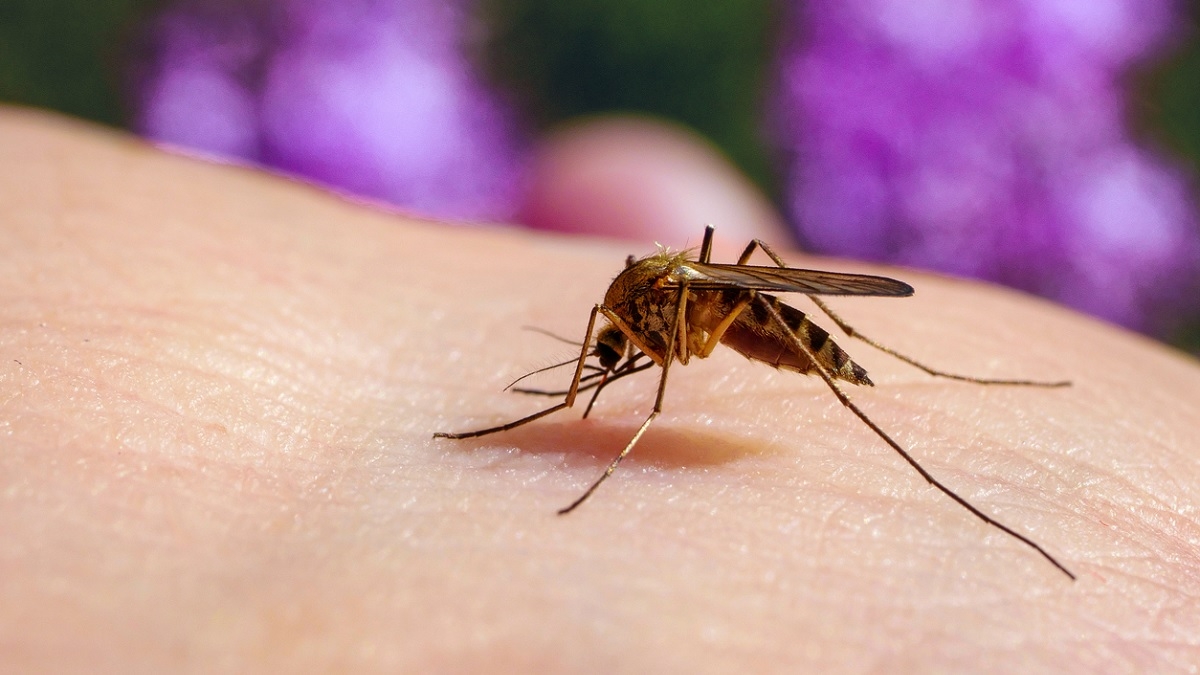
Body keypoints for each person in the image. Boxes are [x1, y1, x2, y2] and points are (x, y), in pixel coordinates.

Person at [3, 105, 1197, 671]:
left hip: (754, 312)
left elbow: (677, 306)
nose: (614, 353)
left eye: (615, 357)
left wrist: (634, 410)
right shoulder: (623, 304)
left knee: (760, 283)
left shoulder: (667, 307)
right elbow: (613, 314)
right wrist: (583, 391)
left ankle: (930, 414)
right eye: (618, 355)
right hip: (698, 301)